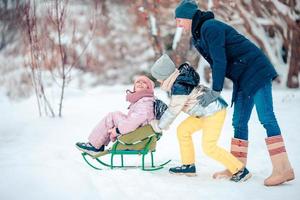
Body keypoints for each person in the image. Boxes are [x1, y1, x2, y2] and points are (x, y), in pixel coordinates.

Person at [173, 0, 294, 186]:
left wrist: (216, 90)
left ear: (189, 17)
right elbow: (216, 62)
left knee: (266, 117)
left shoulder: (210, 27)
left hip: (256, 71)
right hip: (242, 77)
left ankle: (283, 168)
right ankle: (237, 167)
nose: (177, 24)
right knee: (238, 121)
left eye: (179, 19)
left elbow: (219, 60)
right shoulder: (198, 35)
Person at [150, 54, 251, 182]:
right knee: (183, 130)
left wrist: (159, 126)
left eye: (159, 78)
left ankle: (240, 170)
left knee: (209, 146)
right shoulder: (180, 80)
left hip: (214, 112)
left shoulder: (179, 85)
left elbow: (173, 110)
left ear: (165, 76)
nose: (158, 81)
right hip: (203, 113)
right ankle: (188, 166)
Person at [76, 75, 155, 156]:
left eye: (144, 82)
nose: (140, 83)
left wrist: (117, 130)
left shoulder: (145, 103)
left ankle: (94, 146)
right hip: (137, 130)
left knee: (111, 117)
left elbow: (132, 123)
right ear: (134, 87)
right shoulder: (143, 100)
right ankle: (97, 144)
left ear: (149, 88)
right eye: (138, 82)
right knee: (114, 115)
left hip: (136, 133)